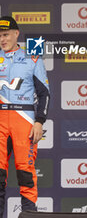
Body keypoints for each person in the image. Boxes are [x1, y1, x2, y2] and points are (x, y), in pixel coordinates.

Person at [0, 16, 50, 216]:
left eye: (5, 35)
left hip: (25, 120)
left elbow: (45, 93)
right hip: (1, 119)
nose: (2, 40)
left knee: (25, 175)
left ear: (16, 34)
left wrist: (39, 121)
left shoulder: (32, 57)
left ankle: (29, 215)